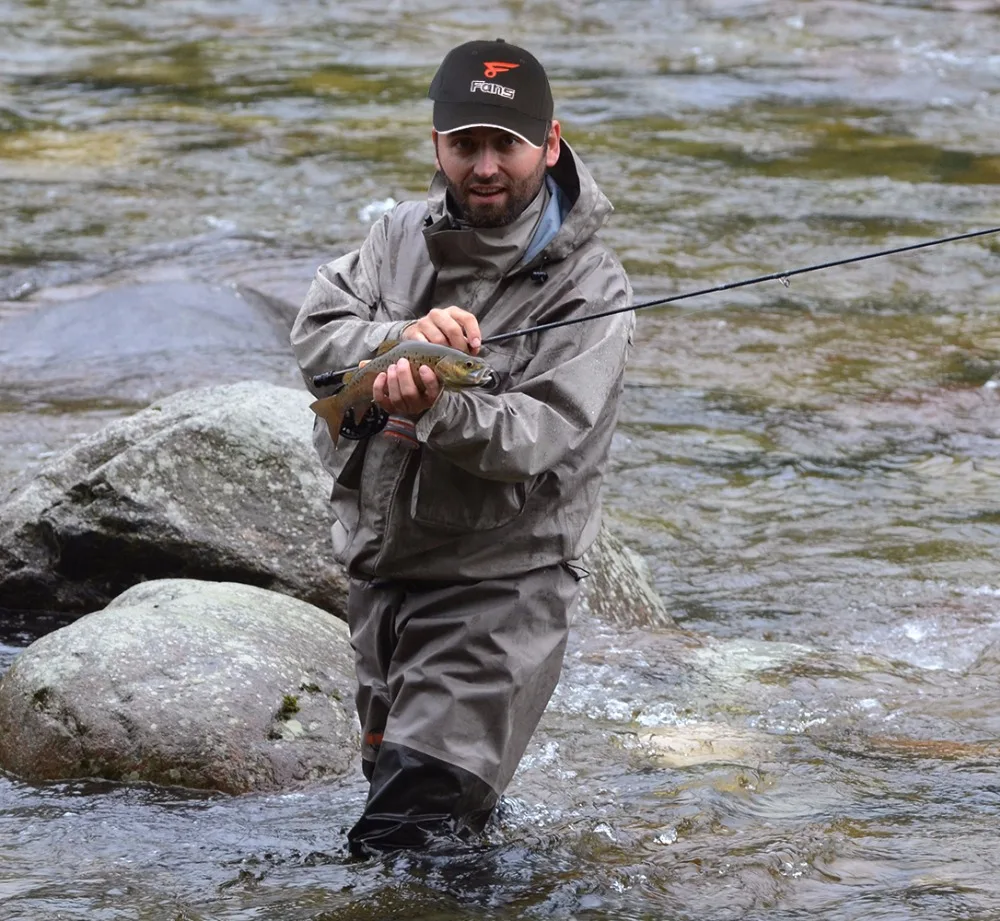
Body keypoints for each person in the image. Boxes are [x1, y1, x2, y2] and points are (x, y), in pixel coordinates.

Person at [290, 38, 634, 856]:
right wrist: (399, 341)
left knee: (403, 841)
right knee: (435, 840)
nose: (485, 166)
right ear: (435, 144)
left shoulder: (593, 287)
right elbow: (317, 331)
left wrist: (436, 402)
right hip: (385, 583)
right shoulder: (396, 237)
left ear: (548, 144)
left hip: (498, 596)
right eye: (465, 144)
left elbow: (533, 436)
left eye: (505, 145)